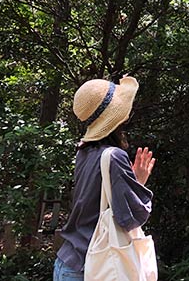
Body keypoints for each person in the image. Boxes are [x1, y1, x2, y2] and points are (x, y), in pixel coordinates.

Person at [54, 76, 156, 281]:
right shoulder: (114, 156)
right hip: (91, 267)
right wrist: (139, 182)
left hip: (67, 262)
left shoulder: (84, 152)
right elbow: (130, 218)